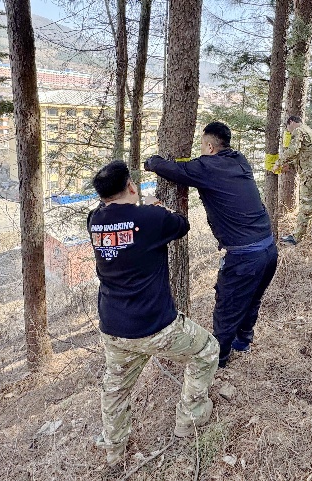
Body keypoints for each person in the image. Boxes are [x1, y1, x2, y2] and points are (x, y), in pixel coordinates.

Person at [88, 160, 219, 467]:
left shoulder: (94, 220)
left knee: (115, 388)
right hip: (154, 326)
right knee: (207, 350)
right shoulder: (150, 217)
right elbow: (182, 225)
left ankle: (114, 449)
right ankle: (190, 418)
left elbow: (118, 222)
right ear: (131, 186)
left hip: (113, 327)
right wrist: (157, 205)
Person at [144, 121, 278, 368]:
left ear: (210, 147)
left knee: (228, 308)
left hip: (244, 256)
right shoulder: (240, 160)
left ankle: (219, 360)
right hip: (269, 249)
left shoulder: (208, 166)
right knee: (251, 299)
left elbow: (173, 169)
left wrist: (151, 162)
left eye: (202, 145)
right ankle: (243, 342)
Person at [271, 115, 312, 245]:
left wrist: (278, 163)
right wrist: (290, 165)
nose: (288, 131)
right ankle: (300, 236)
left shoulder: (298, 130)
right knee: (308, 209)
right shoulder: (309, 131)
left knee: (306, 208)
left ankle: (297, 239)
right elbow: (305, 154)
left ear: (291, 122)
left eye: (287, 128)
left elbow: (293, 150)